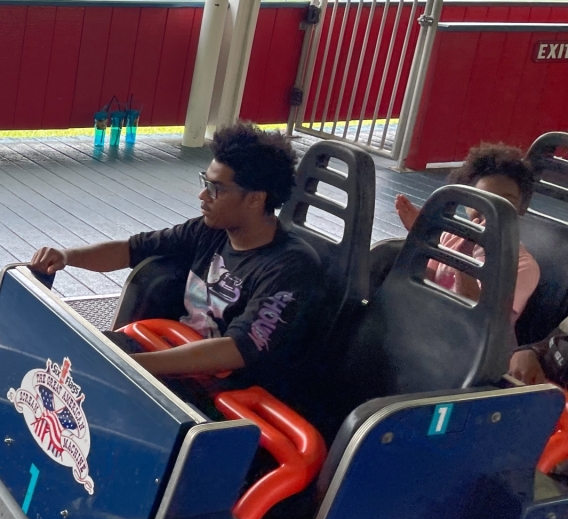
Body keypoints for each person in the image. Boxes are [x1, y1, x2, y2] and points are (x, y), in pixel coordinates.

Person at [29, 123, 325, 413]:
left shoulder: (290, 266)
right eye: (205, 181)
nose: (203, 195)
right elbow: (132, 249)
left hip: (223, 393)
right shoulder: (211, 230)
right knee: (70, 355)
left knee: (96, 388)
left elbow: (237, 350)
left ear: (255, 198)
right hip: (172, 352)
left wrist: (133, 367)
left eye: (216, 188)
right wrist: (67, 257)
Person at [394, 143, 540, 326]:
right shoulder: (451, 237)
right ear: (467, 202)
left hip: (468, 344)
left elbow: (478, 321)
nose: (491, 210)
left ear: (521, 209)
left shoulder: (521, 266)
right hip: (428, 322)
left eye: (504, 203)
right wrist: (421, 238)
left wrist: (463, 262)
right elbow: (424, 283)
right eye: (482, 200)